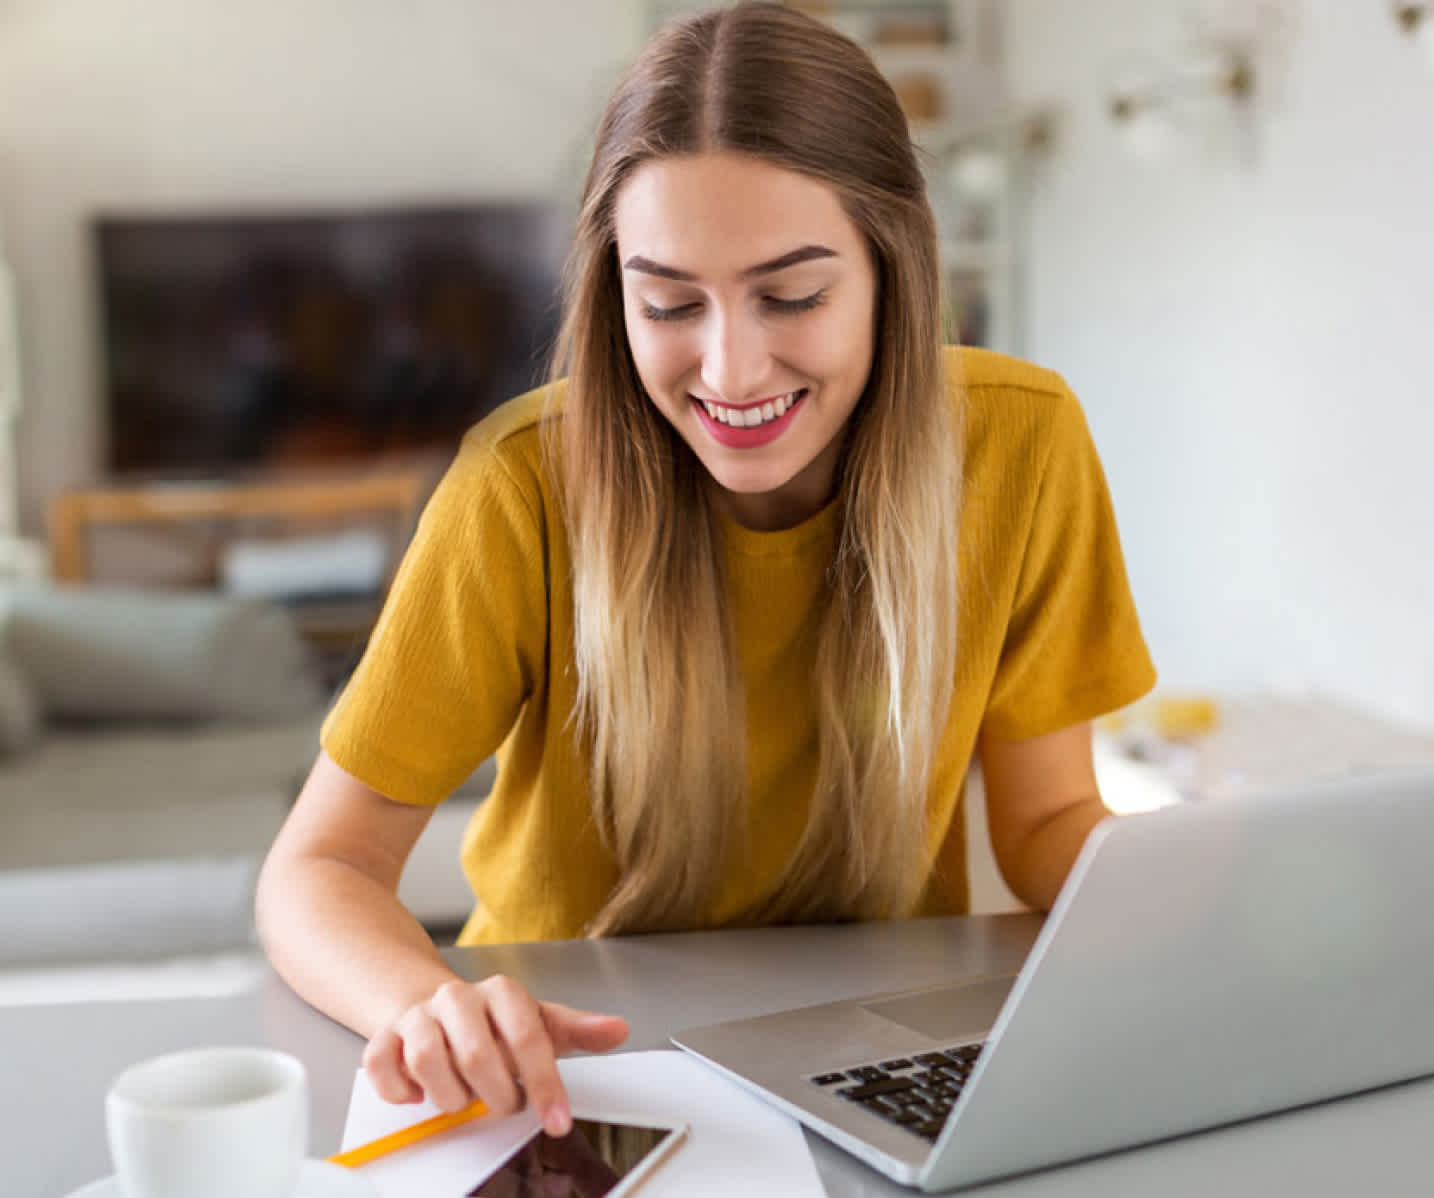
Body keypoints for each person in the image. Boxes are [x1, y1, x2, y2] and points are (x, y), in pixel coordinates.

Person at [255, 0, 1155, 1148]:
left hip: (865, 1053)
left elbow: (1045, 822)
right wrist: (426, 1002)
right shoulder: (518, 489)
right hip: (573, 1074)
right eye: (669, 301)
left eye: (793, 294)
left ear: (893, 269)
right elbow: (317, 867)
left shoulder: (1026, 445)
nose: (730, 368)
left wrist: (1183, 902)